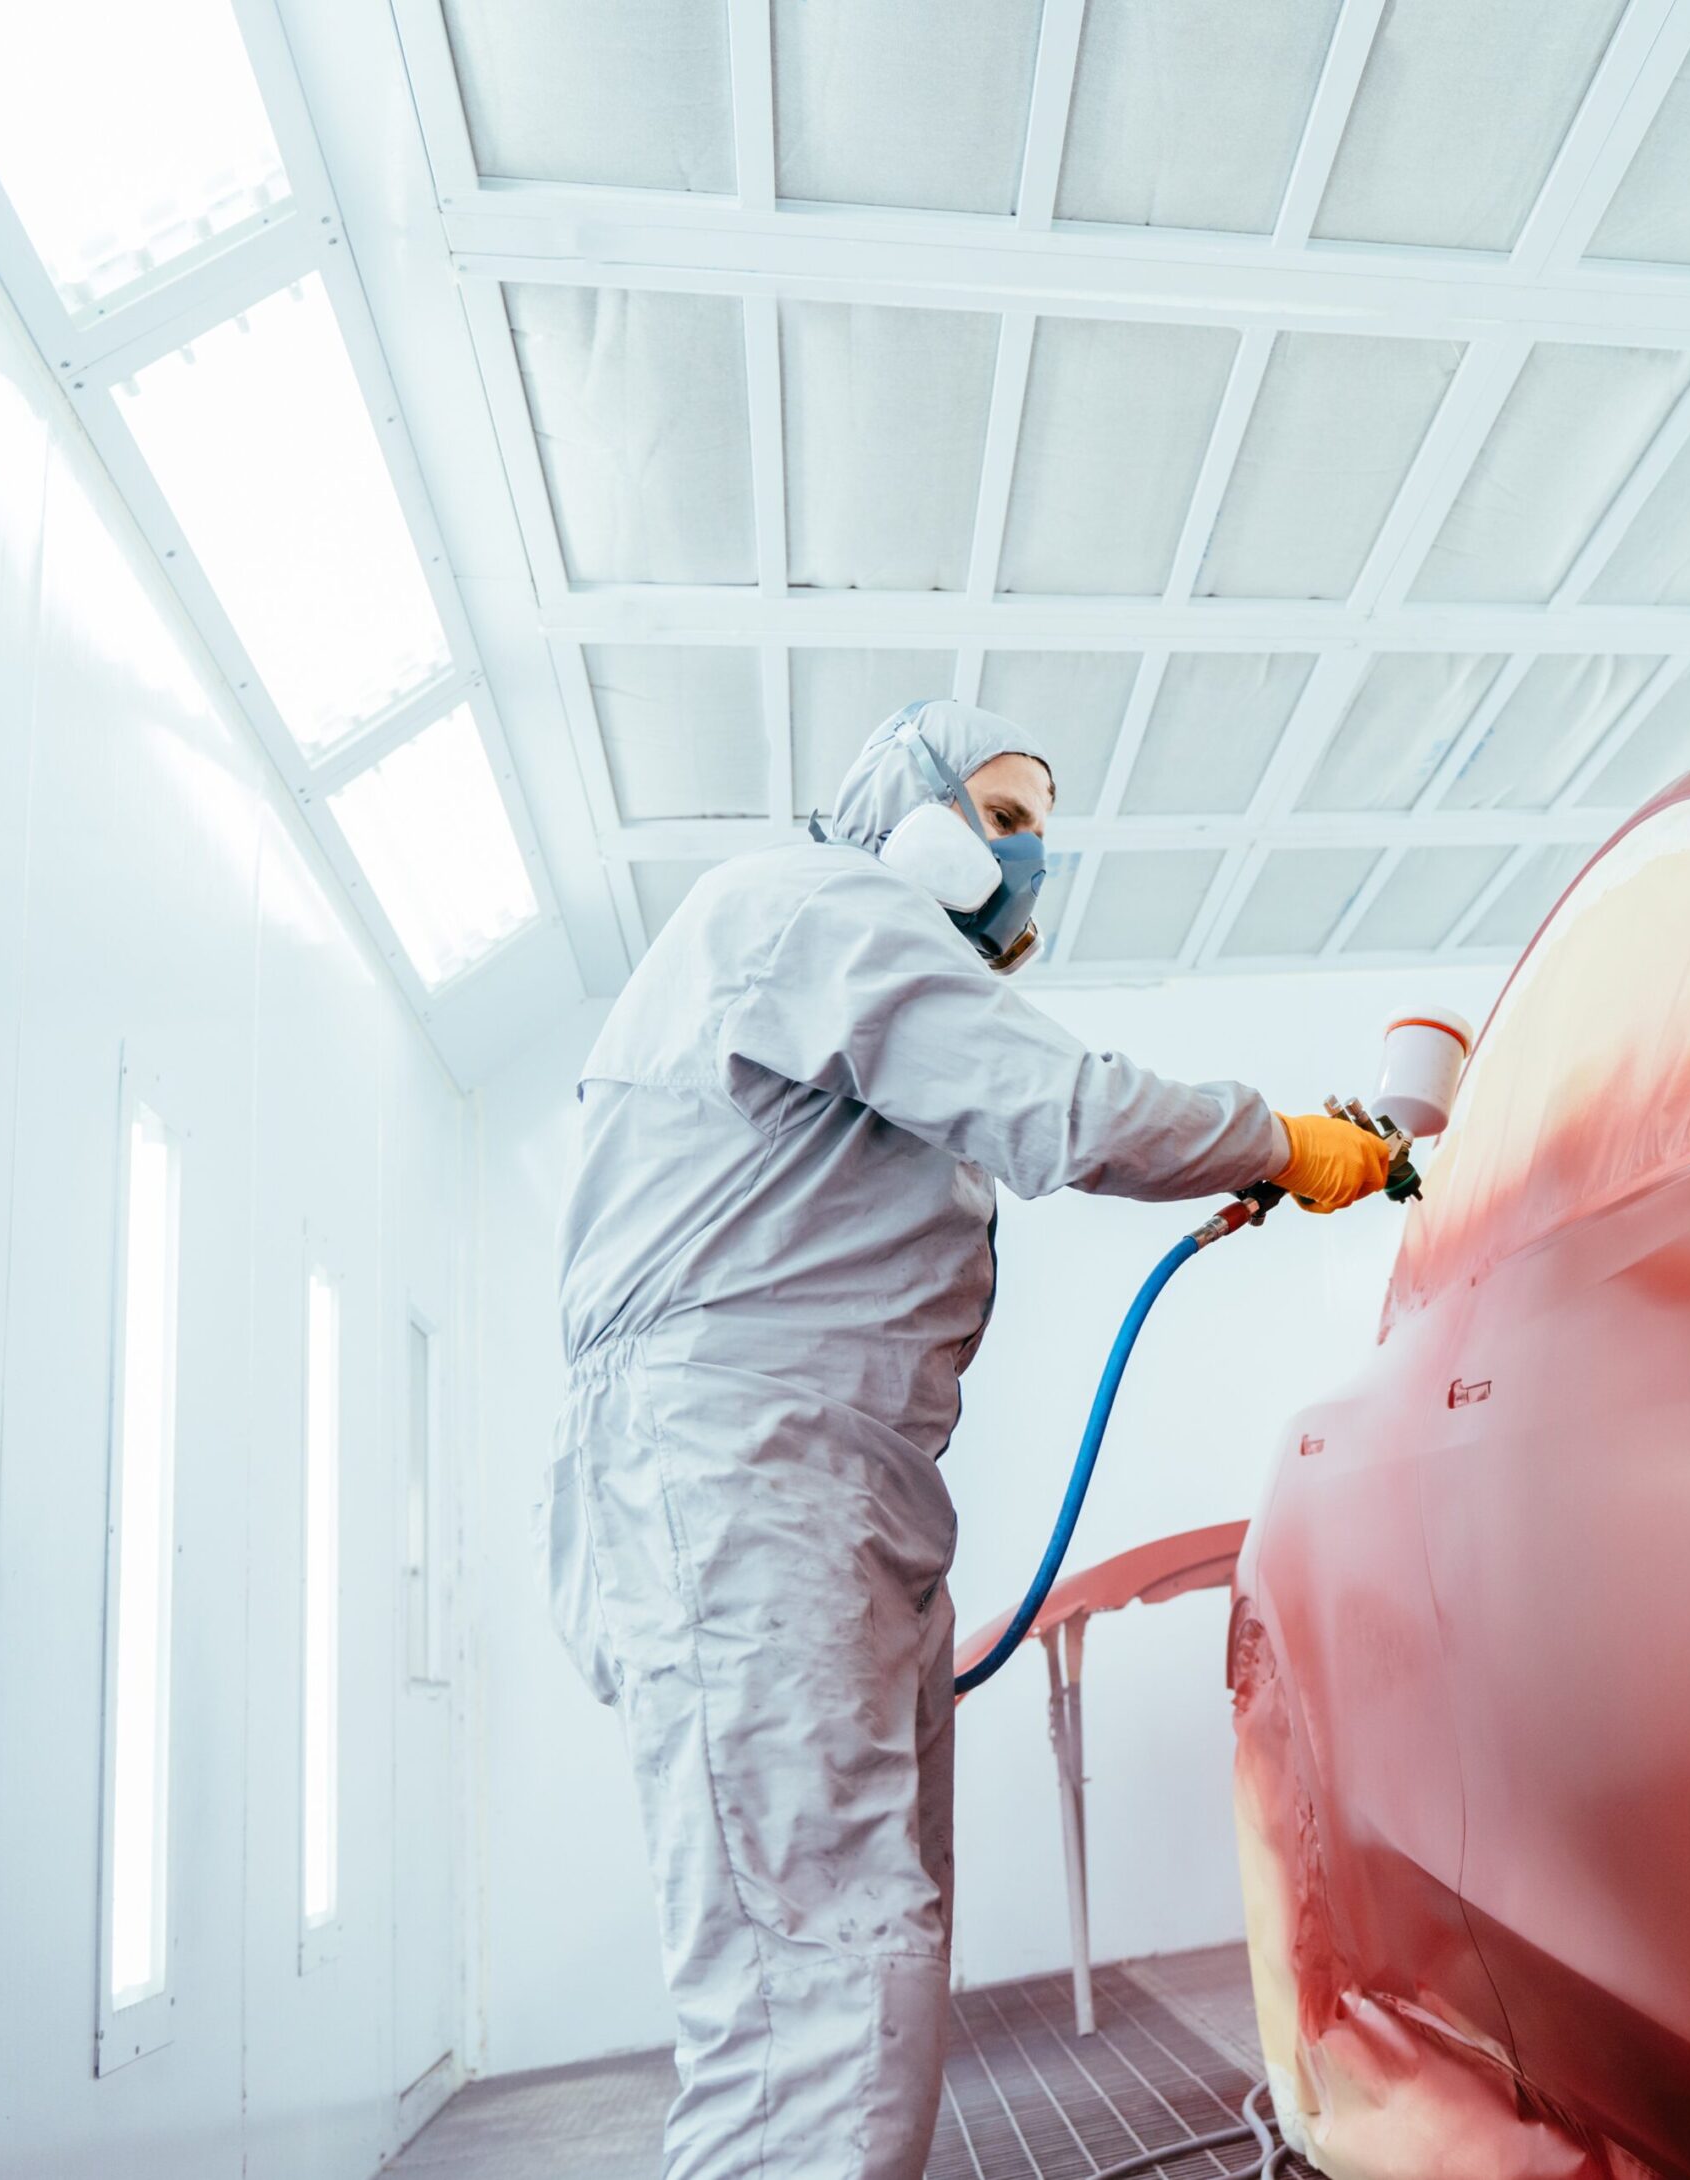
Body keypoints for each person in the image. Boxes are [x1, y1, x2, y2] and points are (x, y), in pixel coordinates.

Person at [545, 698, 1390, 2179]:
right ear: (908, 809)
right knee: (814, 1989)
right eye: (999, 816)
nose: (1029, 854)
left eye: (1038, 827)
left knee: (852, 1960)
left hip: (811, 1487)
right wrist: (1281, 1138)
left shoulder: (831, 959)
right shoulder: (811, 904)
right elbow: (1058, 1107)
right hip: (748, 1482)